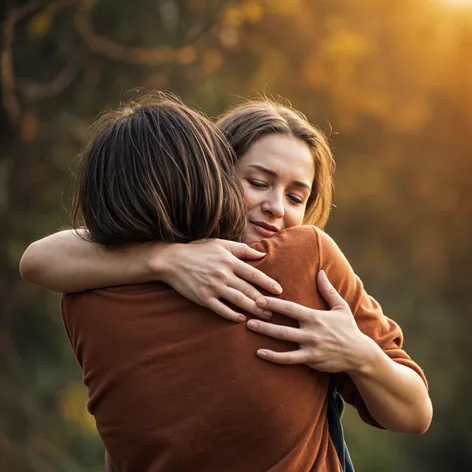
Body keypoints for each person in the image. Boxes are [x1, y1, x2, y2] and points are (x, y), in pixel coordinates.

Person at [21, 97, 432, 470]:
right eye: (257, 183)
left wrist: (360, 354)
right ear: (213, 171)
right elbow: (38, 259)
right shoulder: (309, 255)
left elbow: (415, 414)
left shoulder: (88, 297)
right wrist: (165, 259)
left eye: (296, 197)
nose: (274, 207)